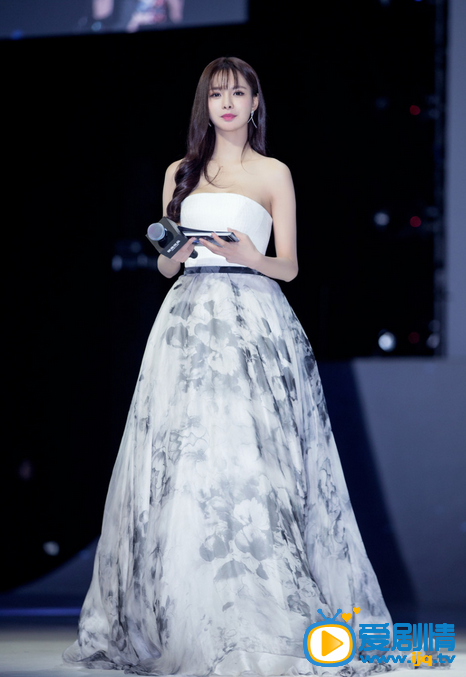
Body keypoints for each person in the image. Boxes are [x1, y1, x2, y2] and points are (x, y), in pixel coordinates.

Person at [62, 57, 431, 676]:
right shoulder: (180, 172)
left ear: (255, 102)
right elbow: (166, 267)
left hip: (254, 318)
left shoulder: (273, 172)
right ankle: (186, 617)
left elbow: (290, 266)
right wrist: (176, 248)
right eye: (217, 94)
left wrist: (249, 255)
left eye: (238, 92)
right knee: (186, 461)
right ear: (204, 105)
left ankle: (264, 613)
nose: (227, 103)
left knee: (253, 458)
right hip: (186, 322)